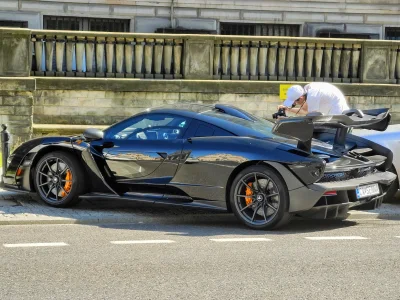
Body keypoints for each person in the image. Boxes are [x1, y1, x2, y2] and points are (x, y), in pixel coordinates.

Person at [278, 82, 350, 116]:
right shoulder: (307, 90)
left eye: (295, 103)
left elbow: (309, 115)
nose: (295, 104)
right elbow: (305, 110)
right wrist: (288, 109)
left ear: (300, 98)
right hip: (333, 109)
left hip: (338, 112)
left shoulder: (312, 96)